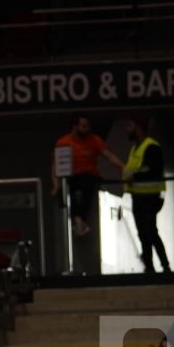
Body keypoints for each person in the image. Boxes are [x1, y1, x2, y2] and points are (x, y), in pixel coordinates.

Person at [51, 115, 124, 274]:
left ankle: (78, 219)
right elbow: (56, 166)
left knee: (87, 186)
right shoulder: (64, 142)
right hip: (73, 179)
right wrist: (56, 185)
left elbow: (108, 155)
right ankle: (78, 220)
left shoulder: (94, 140)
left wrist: (122, 167)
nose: (87, 129)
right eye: (83, 126)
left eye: (87, 126)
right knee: (74, 191)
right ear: (74, 126)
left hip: (91, 178)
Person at [122, 119, 170, 273]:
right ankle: (149, 267)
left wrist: (133, 175)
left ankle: (165, 266)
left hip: (151, 196)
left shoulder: (151, 146)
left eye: (130, 126)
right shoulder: (135, 148)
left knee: (150, 231)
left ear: (139, 128)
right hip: (138, 196)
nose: (127, 130)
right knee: (143, 232)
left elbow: (153, 169)